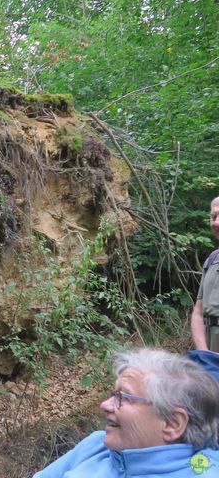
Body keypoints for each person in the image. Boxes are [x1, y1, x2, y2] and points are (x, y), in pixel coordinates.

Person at [33, 348, 219, 478]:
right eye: (113, 394)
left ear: (172, 423)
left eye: (124, 397)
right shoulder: (97, 444)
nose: (105, 405)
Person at [192, 196, 219, 353]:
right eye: (213, 216)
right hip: (211, 350)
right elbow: (198, 313)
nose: (216, 223)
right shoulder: (212, 260)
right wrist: (204, 354)